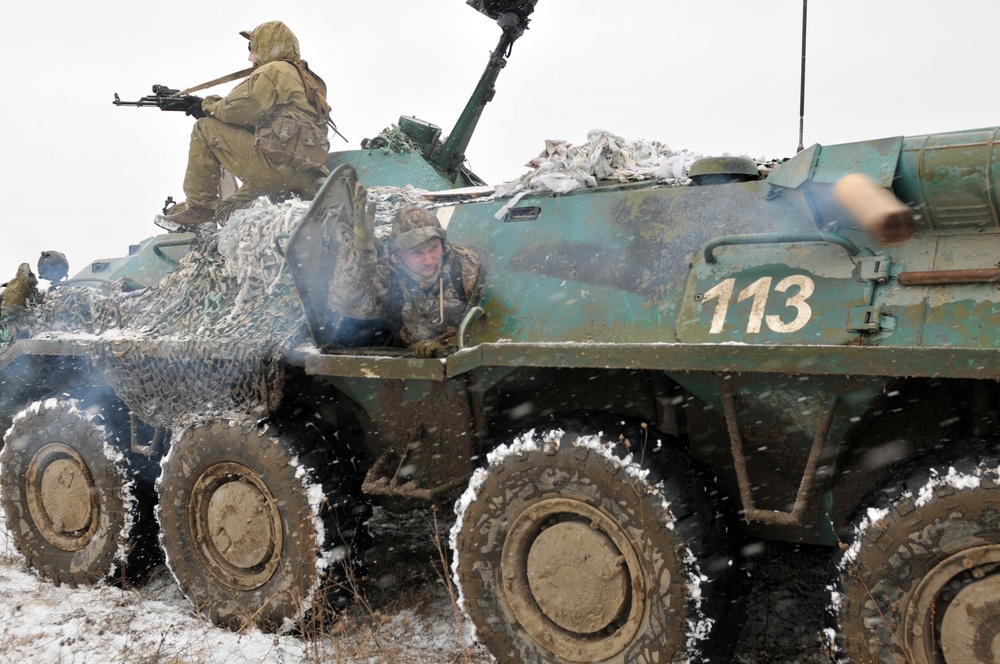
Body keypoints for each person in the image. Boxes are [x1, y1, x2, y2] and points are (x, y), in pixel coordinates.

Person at [155, 21, 331, 234]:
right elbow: (256, 116)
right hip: (307, 175)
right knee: (227, 208)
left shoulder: (273, 70)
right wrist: (205, 104)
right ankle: (279, 215)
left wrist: (205, 106)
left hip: (276, 168)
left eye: (252, 48)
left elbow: (238, 109)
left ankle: (200, 212)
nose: (250, 57)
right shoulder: (308, 79)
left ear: (267, 45)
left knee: (205, 127)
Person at [328, 203, 486, 357]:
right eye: (417, 253)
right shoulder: (389, 274)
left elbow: (485, 320)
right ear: (399, 254)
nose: (429, 260)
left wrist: (450, 348)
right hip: (413, 365)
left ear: (443, 245)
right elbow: (344, 303)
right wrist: (360, 252)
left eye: (433, 248)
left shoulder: (463, 264)